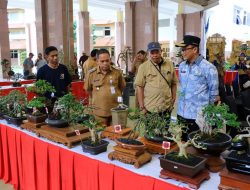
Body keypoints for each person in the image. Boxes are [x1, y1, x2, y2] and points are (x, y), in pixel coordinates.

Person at [176, 35, 219, 141]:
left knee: (199, 147)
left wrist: (209, 117)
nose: (183, 52)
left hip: (198, 116)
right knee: (184, 145)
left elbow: (214, 96)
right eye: (182, 50)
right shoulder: (182, 66)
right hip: (182, 114)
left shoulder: (209, 68)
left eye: (185, 49)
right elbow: (182, 87)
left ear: (195, 49)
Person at [134, 42, 178, 120]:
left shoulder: (169, 64)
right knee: (151, 131)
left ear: (161, 51)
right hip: (150, 108)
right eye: (152, 53)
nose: (155, 55)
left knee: (165, 131)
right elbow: (140, 87)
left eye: (157, 52)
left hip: (166, 107)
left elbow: (174, 83)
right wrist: (142, 107)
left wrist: (174, 97)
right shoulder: (143, 67)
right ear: (149, 54)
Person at [84, 49, 126, 126]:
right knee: (101, 134)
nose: (105, 63)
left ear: (110, 60)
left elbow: (122, 87)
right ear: (97, 61)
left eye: (107, 60)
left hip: (116, 110)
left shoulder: (117, 72)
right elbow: (88, 89)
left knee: (116, 134)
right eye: (102, 61)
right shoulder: (91, 74)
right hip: (99, 111)